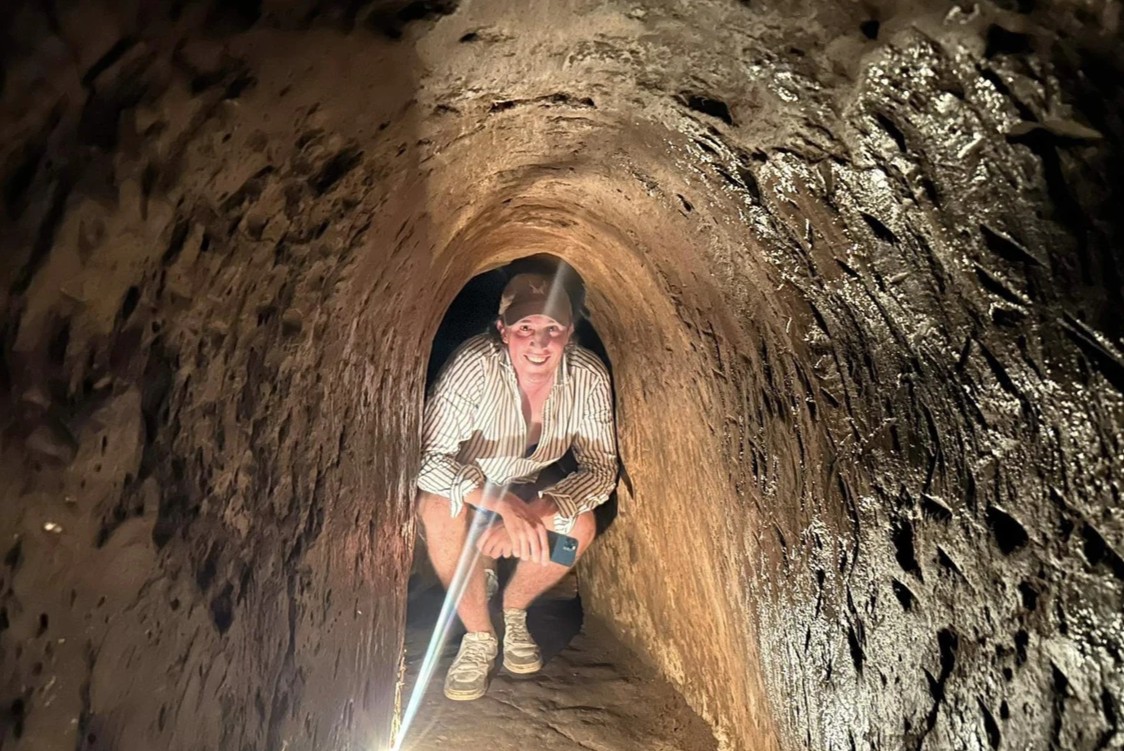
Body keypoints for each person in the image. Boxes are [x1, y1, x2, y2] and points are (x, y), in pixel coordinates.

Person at [415, 271, 618, 701]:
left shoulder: (587, 377)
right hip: (471, 489)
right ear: (503, 330)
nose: (539, 344)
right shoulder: (476, 367)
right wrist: (502, 506)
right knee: (436, 509)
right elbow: (427, 461)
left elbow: (601, 470)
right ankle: (480, 636)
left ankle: (514, 608)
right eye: (525, 328)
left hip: (530, 487)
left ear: (569, 333)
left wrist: (536, 513)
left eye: (552, 330)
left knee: (576, 530)